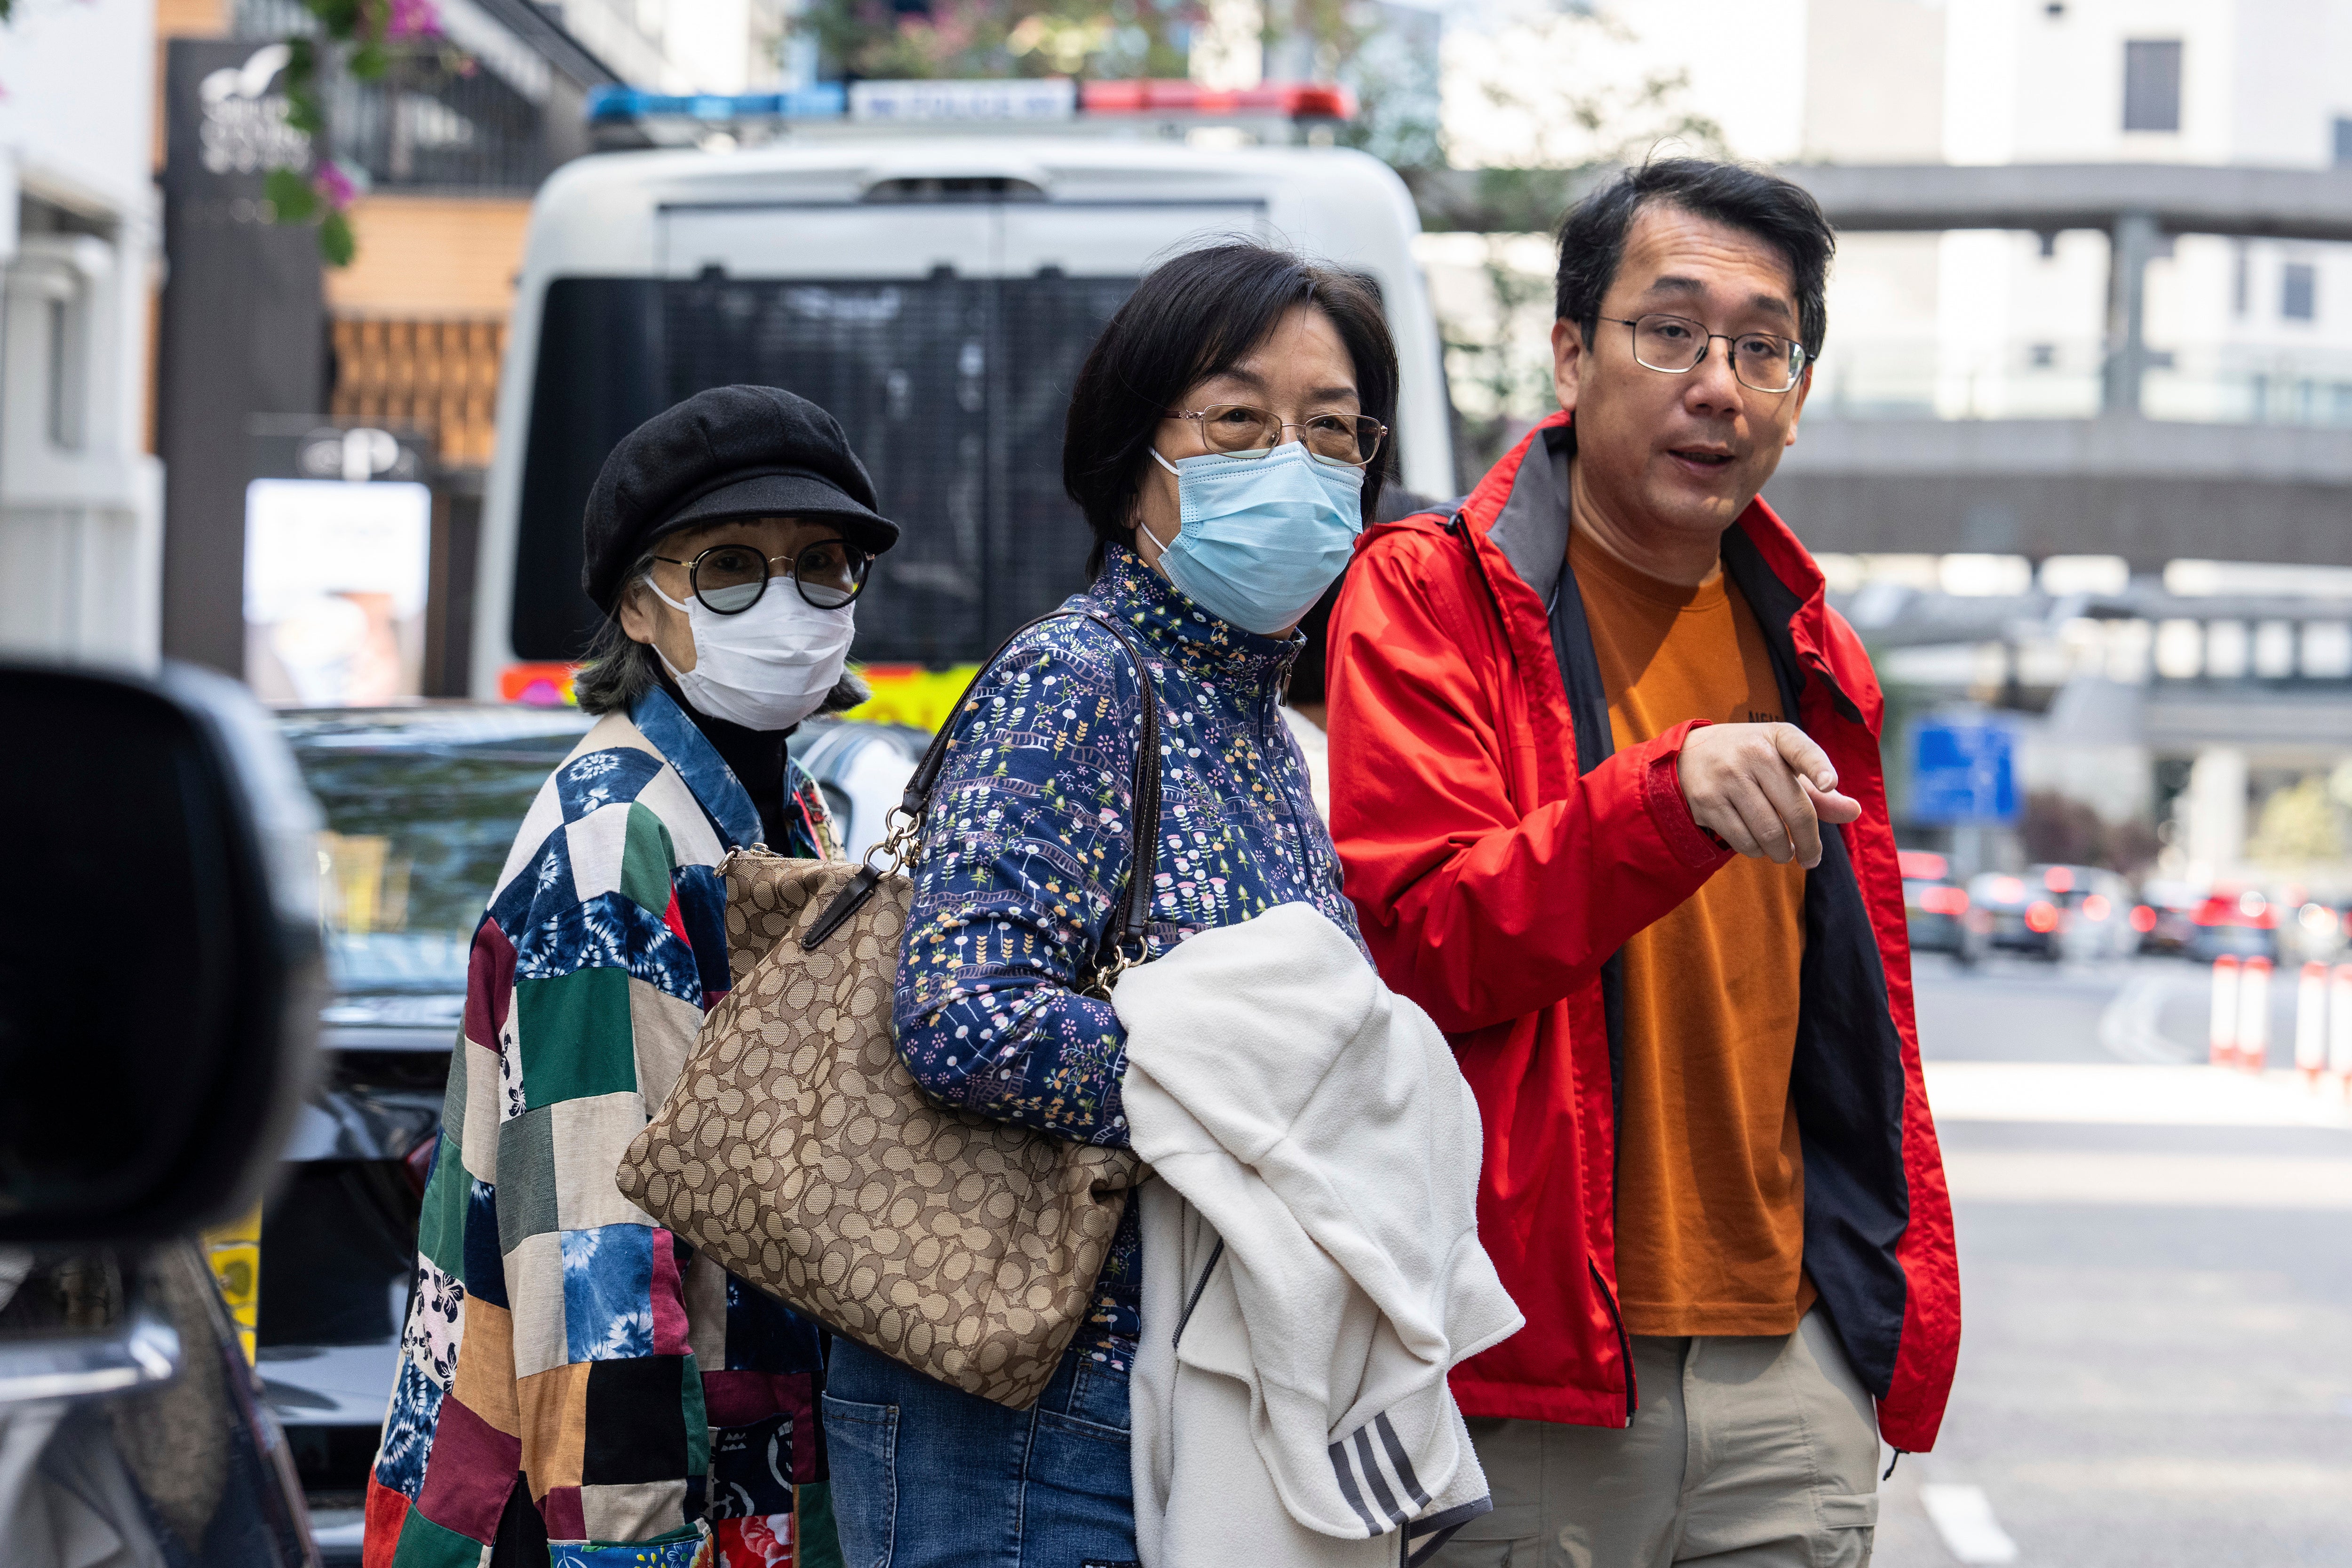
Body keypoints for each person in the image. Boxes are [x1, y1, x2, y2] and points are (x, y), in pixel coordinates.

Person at [1325, 159, 1962, 1566]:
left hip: (1785, 1375)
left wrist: (1852, 1349)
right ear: (1570, 352)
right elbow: (1429, 942)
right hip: (1528, 1379)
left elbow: (1852, 1030)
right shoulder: (1431, 593)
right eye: (1668, 330)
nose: (1718, 383)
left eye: (1763, 346)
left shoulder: (1808, 642)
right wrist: (1661, 798)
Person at [821, 242, 1392, 1567]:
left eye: (1332, 431)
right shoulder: (1080, 678)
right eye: (1241, 421)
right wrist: (1238, 1083)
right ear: (1137, 454)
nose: (1295, 464)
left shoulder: (1253, 721)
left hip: (1159, 1388)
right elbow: (964, 1013)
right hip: (1021, 1404)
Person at [362, 384, 897, 1568]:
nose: (789, 599)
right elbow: (592, 1249)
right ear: (640, 604)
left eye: (822, 563)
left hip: (742, 1473)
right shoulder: (614, 840)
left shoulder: (778, 812)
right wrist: (631, 1544)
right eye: (728, 566)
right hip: (615, 1508)